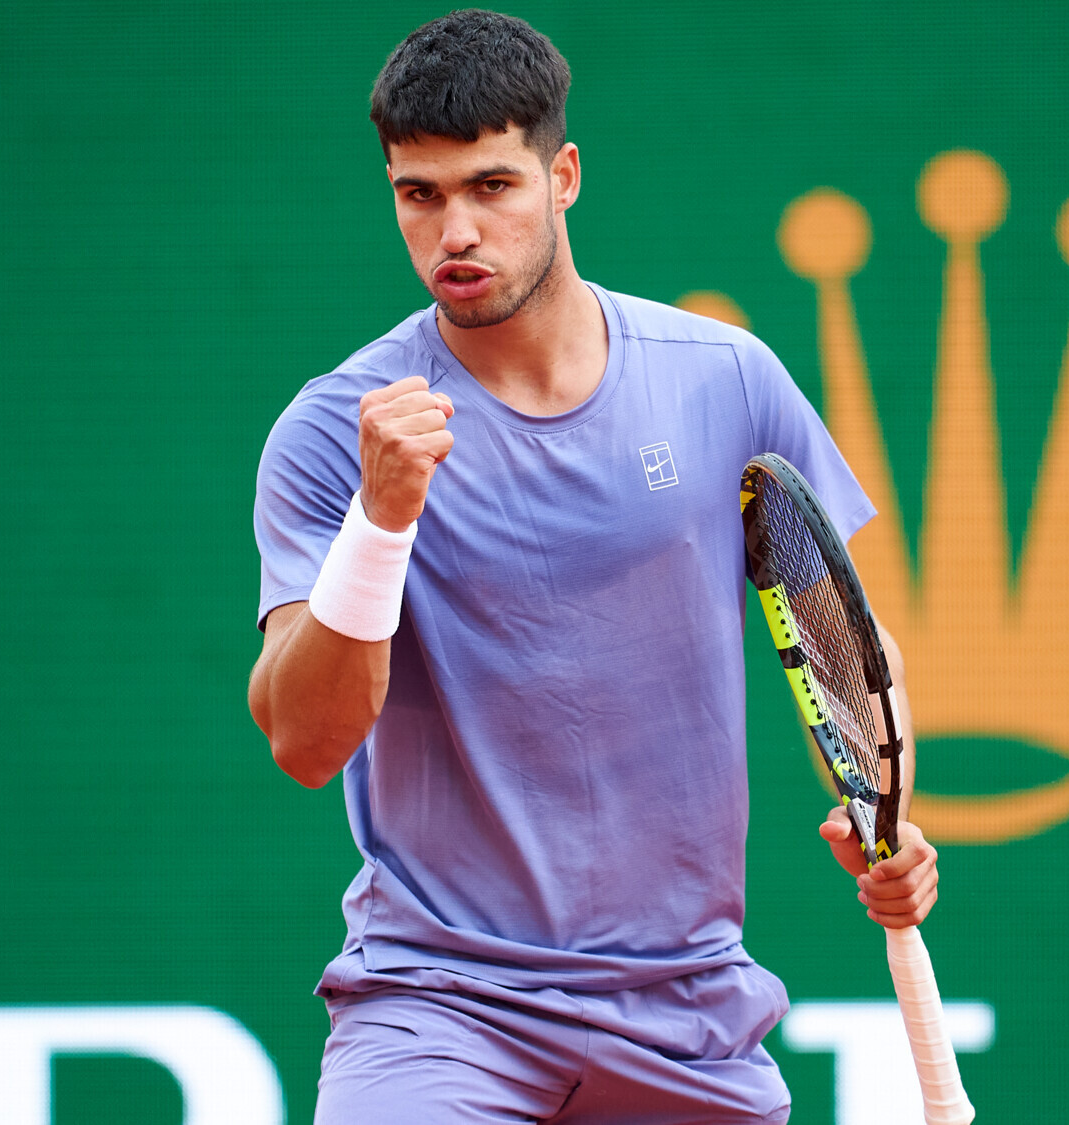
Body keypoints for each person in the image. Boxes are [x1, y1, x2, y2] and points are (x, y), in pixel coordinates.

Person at [247, 10, 938, 1122]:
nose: (454, 231)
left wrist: (885, 816)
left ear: (562, 176)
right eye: (418, 194)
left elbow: (846, 644)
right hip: (440, 1007)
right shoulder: (339, 431)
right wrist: (380, 522)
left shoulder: (725, 379)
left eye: (492, 186)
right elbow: (303, 740)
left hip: (688, 1016)